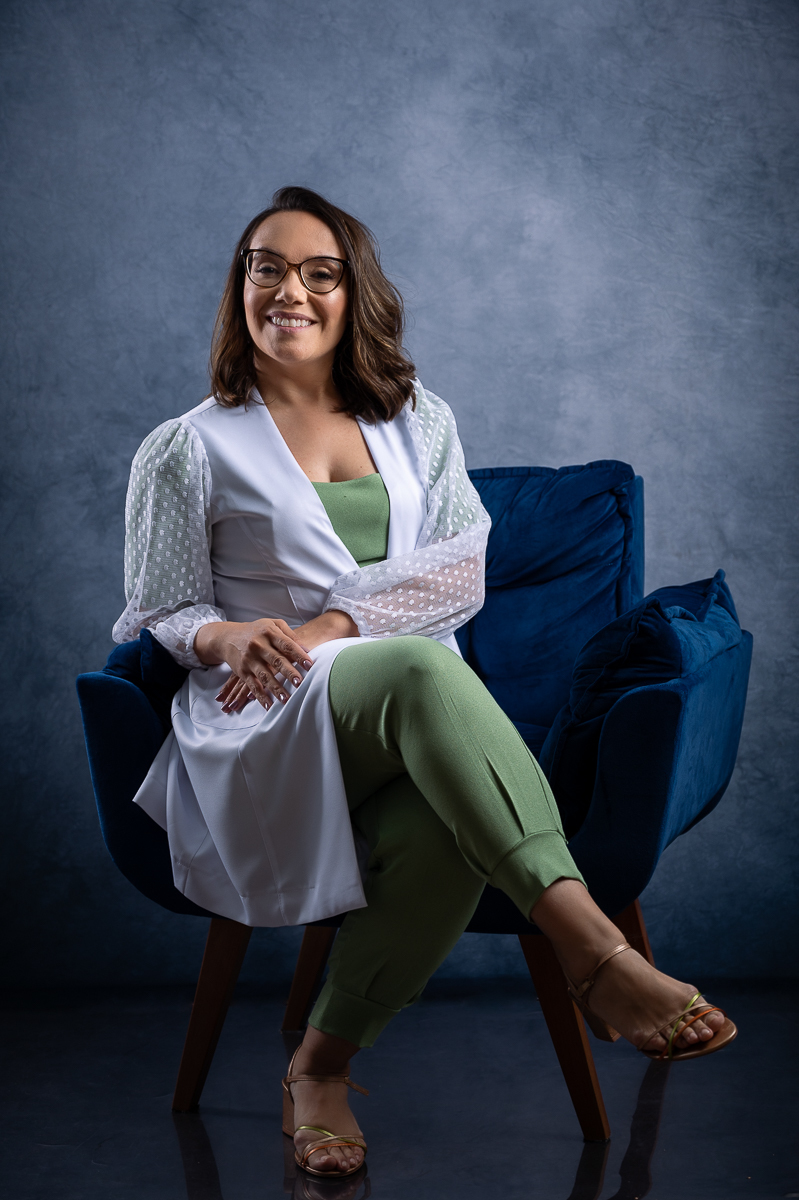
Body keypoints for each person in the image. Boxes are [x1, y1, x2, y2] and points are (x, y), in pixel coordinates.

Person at [114, 186, 736, 1180]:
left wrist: (328, 625)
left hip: (404, 711)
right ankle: (593, 953)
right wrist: (228, 635)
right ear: (239, 286)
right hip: (264, 718)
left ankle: (318, 1068)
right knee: (408, 663)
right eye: (266, 267)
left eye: (319, 273)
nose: (289, 291)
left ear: (351, 293)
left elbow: (459, 574)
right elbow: (160, 607)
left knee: (439, 829)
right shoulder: (185, 446)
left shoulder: (418, 420)